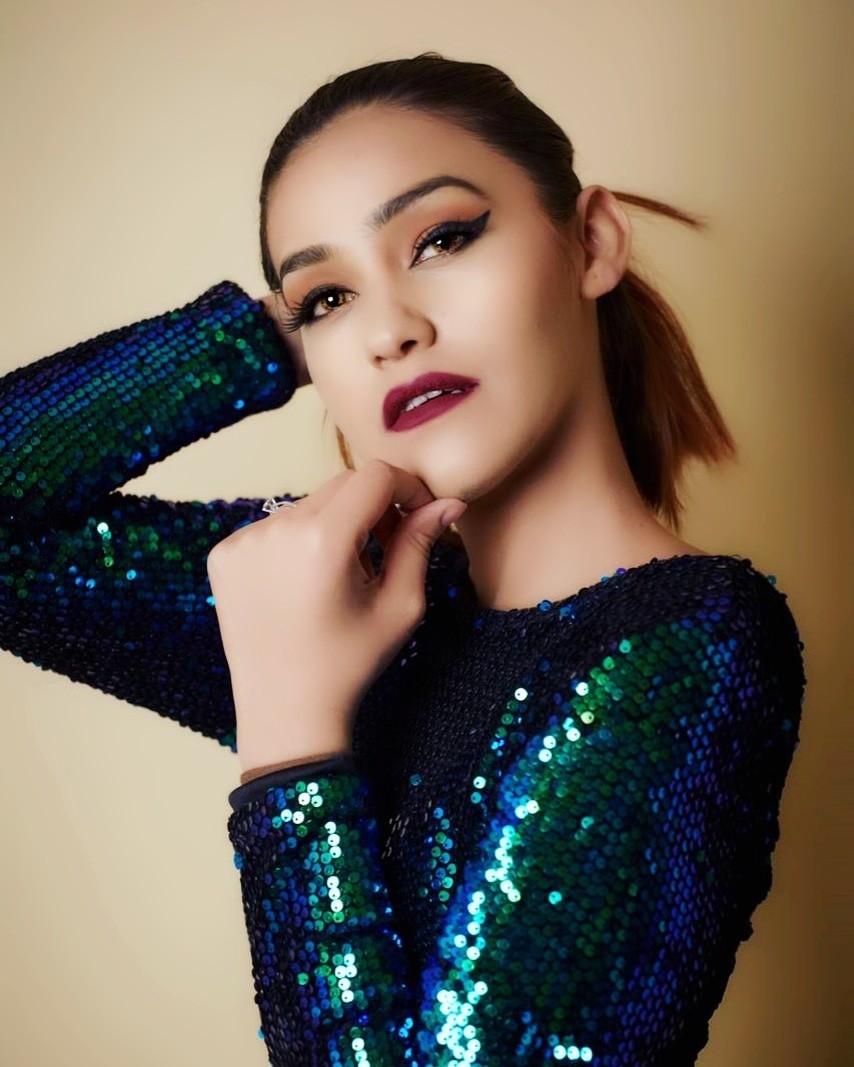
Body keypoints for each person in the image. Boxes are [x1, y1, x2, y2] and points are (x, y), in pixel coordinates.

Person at [0, 53, 805, 1067]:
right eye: (329, 299)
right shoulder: (351, 598)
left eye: (442, 239)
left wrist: (291, 742)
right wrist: (253, 341)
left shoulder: (693, 638)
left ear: (591, 241)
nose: (390, 330)